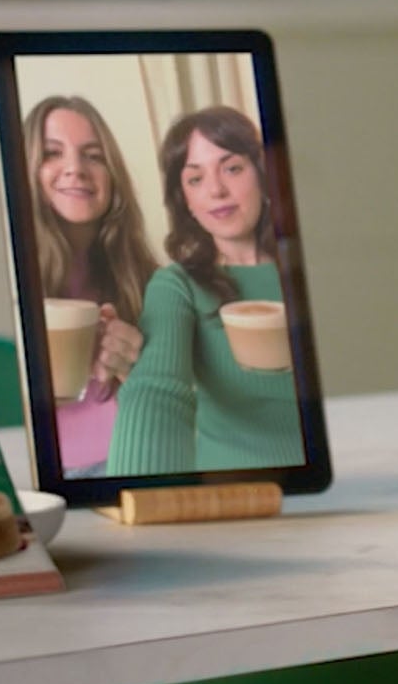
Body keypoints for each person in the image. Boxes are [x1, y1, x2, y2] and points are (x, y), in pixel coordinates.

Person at [108, 105, 304, 476]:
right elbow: (156, 392)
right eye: (195, 179)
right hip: (228, 494)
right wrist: (140, 496)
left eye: (232, 168)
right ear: (185, 201)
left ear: (262, 177)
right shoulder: (177, 286)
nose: (216, 190)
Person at [22, 94, 153, 476]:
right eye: (52, 153)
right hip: (45, 475)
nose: (75, 169)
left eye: (93, 155)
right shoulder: (12, 279)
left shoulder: (147, 278)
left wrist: (140, 371)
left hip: (135, 461)